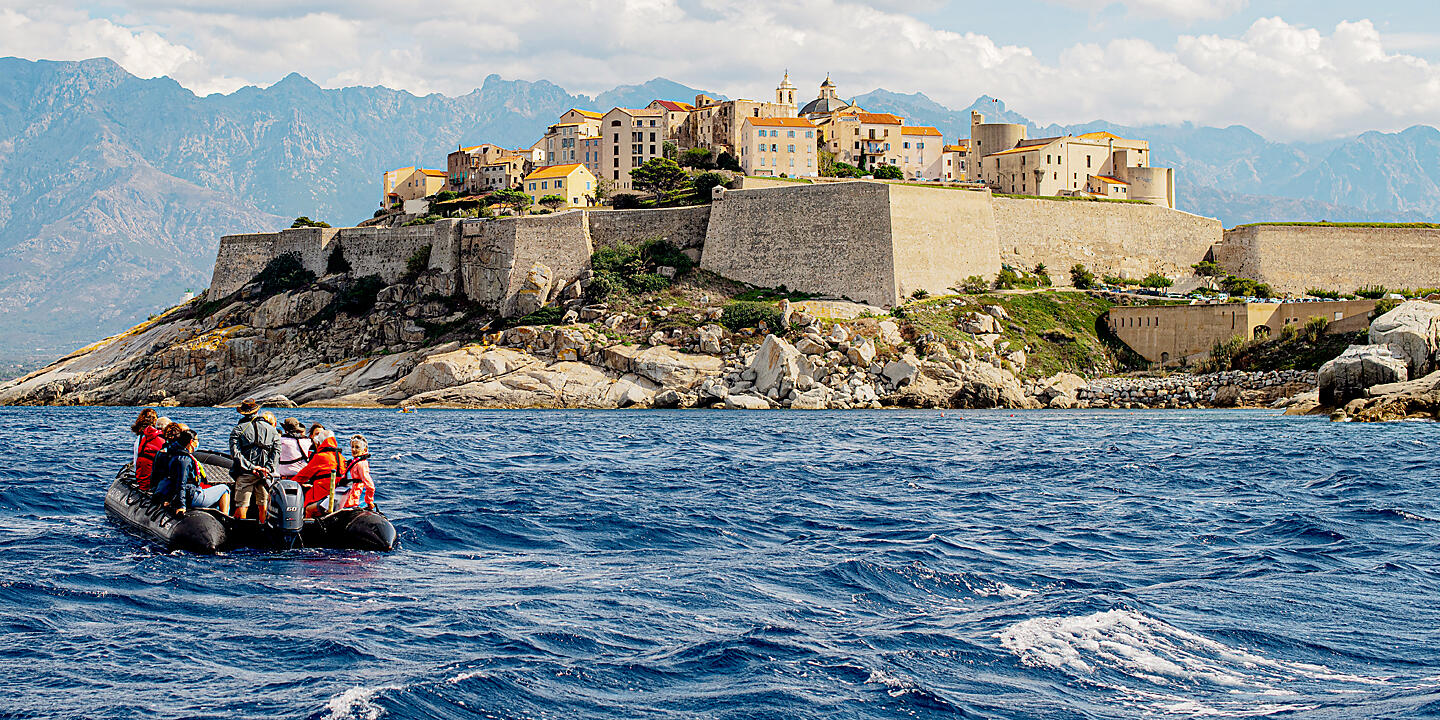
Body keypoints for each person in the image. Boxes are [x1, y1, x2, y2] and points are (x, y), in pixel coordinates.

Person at [229, 399, 279, 522]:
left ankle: (241, 533)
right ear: (257, 411)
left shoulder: (238, 430)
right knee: (263, 505)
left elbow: (236, 454)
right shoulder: (272, 430)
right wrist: (267, 468)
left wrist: (252, 467)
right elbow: (277, 451)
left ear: (242, 413)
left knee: (242, 504)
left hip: (246, 473)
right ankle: (263, 532)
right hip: (265, 474)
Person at [171, 429, 230, 514]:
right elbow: (181, 483)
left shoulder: (174, 454)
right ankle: (225, 519)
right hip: (192, 496)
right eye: (197, 440)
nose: (197, 443)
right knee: (225, 489)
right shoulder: (185, 460)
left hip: (186, 493)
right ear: (191, 441)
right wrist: (181, 505)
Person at [292, 427, 347, 518]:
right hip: (338, 496)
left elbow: (302, 477)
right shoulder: (341, 458)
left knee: (307, 509)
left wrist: (288, 484)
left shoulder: (320, 457)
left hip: (323, 495)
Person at [333, 434, 376, 512]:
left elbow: (370, 486)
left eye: (357, 447)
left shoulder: (361, 464)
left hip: (353, 500)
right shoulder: (354, 462)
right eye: (352, 447)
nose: (353, 449)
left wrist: (369, 501)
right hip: (346, 497)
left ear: (365, 450)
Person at [130, 409, 165, 492]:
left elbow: (136, 461)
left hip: (142, 476)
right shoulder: (155, 439)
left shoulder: (141, 438)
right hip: (150, 480)